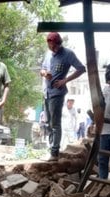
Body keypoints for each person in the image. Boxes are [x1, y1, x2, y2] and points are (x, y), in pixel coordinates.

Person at [40, 32, 86, 161]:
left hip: (57, 94)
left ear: (59, 44)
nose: (52, 49)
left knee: (55, 123)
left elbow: (81, 69)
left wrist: (65, 80)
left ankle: (54, 152)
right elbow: (42, 69)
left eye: (54, 47)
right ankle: (50, 150)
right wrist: (44, 73)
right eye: (50, 46)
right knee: (48, 123)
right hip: (46, 93)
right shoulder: (48, 54)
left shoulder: (68, 54)